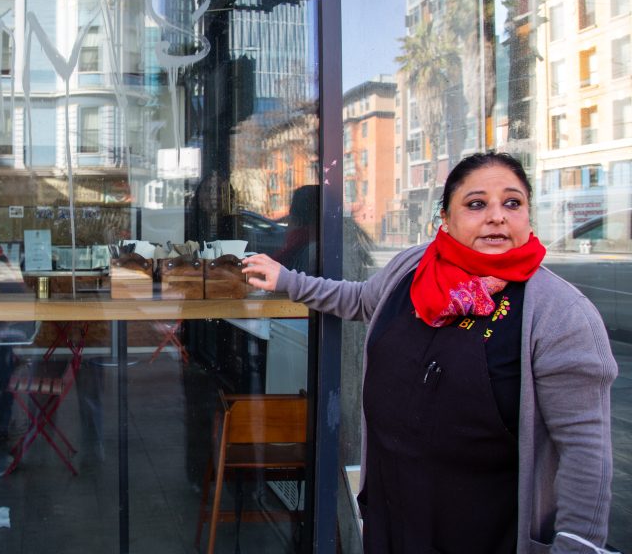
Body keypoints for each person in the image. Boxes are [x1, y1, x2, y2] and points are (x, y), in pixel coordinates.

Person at [242, 152, 618, 554]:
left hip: (486, 533)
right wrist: (287, 280)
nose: (496, 216)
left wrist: (578, 545)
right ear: (446, 219)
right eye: (476, 204)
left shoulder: (561, 313)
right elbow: (361, 299)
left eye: (512, 202)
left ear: (528, 215)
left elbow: (585, 450)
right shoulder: (414, 266)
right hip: (392, 515)